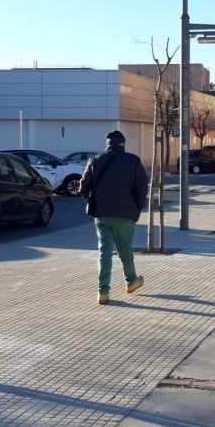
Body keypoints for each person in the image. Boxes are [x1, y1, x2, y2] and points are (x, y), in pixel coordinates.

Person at [80, 130, 149, 305]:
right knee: (125, 250)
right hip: (126, 214)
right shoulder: (133, 161)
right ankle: (131, 281)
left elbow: (83, 187)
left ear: (108, 145)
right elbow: (142, 187)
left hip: (102, 215)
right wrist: (137, 206)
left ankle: (103, 292)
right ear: (123, 144)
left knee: (104, 253)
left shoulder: (95, 161)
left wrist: (94, 200)